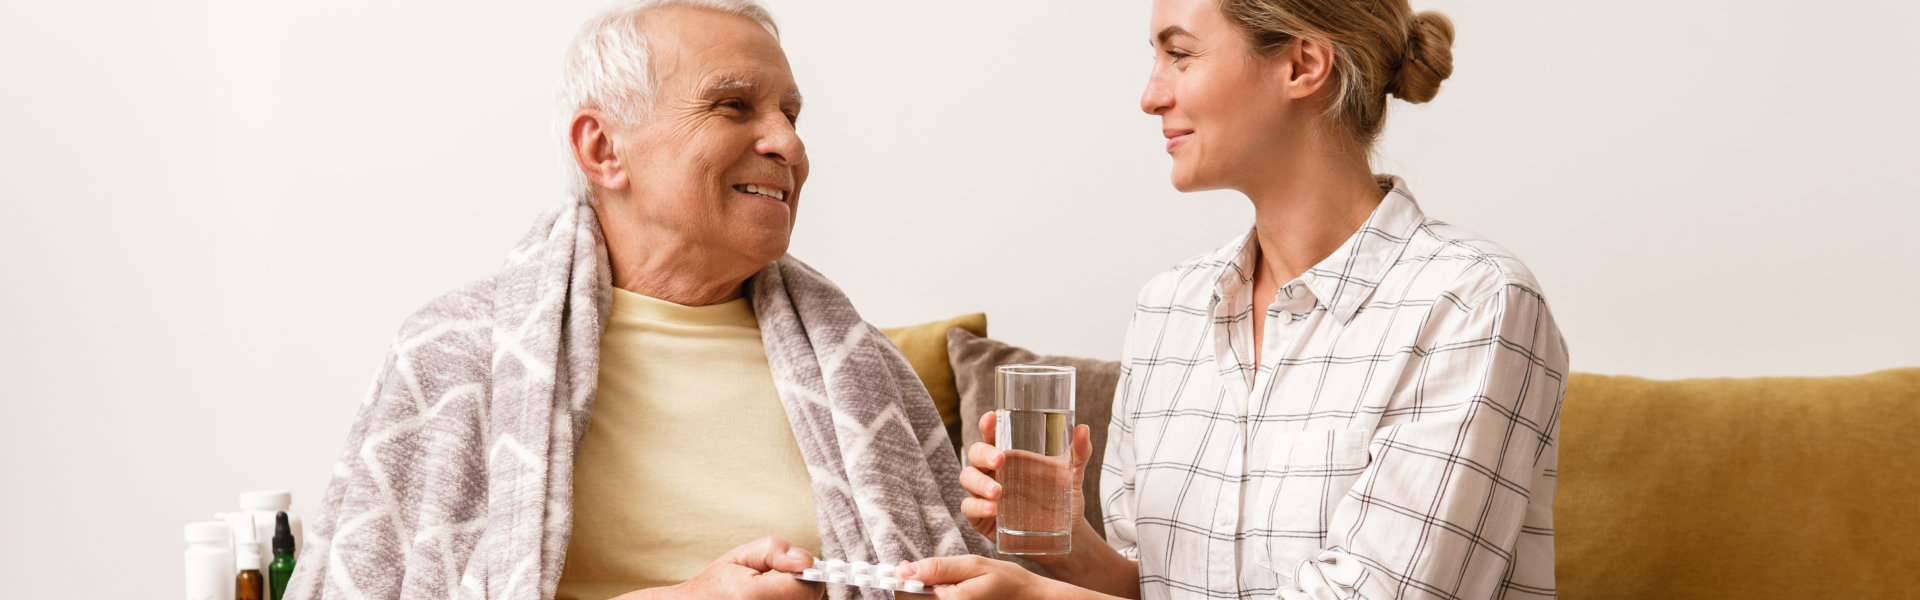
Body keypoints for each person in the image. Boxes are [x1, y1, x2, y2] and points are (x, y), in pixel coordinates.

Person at [284, 2, 988, 599]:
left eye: (791, 114)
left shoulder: (867, 374)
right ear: (603, 150)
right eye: (734, 106)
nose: (789, 144)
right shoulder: (454, 356)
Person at [908, 0, 1569, 598]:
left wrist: (1043, 598)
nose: (1150, 95)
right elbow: (1158, 590)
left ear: (1302, 65)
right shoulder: (1167, 310)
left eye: (1179, 53)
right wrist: (1073, 552)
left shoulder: (1473, 304)